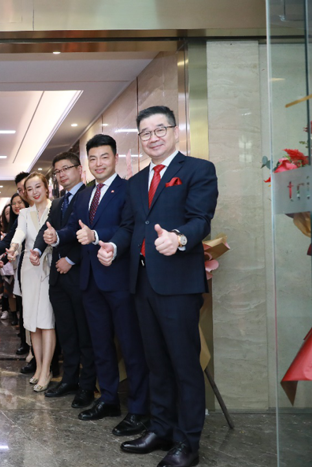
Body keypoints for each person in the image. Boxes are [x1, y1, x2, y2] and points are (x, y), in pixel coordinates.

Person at [98, 106, 218, 467]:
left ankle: (187, 442)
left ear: (175, 131)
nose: (153, 138)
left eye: (159, 129)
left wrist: (179, 238)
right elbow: (131, 226)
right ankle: (161, 428)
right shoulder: (136, 182)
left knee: (184, 363)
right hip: (142, 282)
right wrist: (114, 246)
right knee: (156, 362)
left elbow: (201, 219)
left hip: (178, 283)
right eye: (146, 133)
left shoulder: (197, 169)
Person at [55, 135, 150, 436]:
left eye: (104, 157)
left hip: (119, 280)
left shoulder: (129, 189)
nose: (98, 163)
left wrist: (96, 236)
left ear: (116, 158)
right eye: (93, 158)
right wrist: (57, 237)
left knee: (130, 346)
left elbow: (128, 227)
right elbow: (75, 227)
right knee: (100, 344)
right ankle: (108, 399)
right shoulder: (85, 195)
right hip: (90, 281)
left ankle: (139, 409)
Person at [31, 151, 98, 409]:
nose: (61, 174)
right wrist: (37, 250)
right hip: (58, 280)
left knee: (85, 334)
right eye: (57, 171)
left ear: (80, 169)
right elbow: (46, 230)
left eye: (66, 168)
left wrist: (71, 259)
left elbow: (91, 234)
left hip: (80, 275)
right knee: (67, 332)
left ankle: (86, 385)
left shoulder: (90, 195)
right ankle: (69, 379)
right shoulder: (58, 203)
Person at [7, 172, 55, 392]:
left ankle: (46, 369)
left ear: (46, 188)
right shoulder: (25, 213)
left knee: (46, 320)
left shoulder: (56, 208)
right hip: (29, 267)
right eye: (29, 189)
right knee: (32, 322)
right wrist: (13, 247)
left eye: (38, 187)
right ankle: (38, 367)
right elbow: (19, 233)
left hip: (48, 266)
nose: (34, 192)